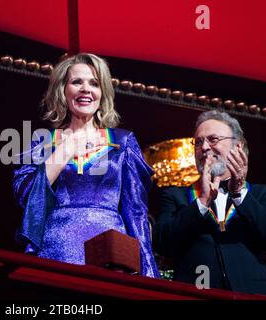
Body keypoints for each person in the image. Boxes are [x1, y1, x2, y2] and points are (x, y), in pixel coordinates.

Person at [12, 53, 159, 278]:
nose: (86, 89)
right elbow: (26, 197)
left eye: (94, 83)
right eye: (77, 82)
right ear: (63, 90)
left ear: (103, 93)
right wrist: (63, 149)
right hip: (55, 254)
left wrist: (147, 271)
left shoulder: (123, 141)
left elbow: (136, 212)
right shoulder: (43, 142)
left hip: (109, 258)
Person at [155, 110, 266, 295]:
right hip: (195, 292)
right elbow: (162, 244)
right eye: (198, 142)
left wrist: (239, 193)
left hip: (253, 294)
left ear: (237, 146)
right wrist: (202, 202)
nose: (204, 147)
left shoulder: (262, 194)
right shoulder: (176, 196)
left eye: (213, 139)